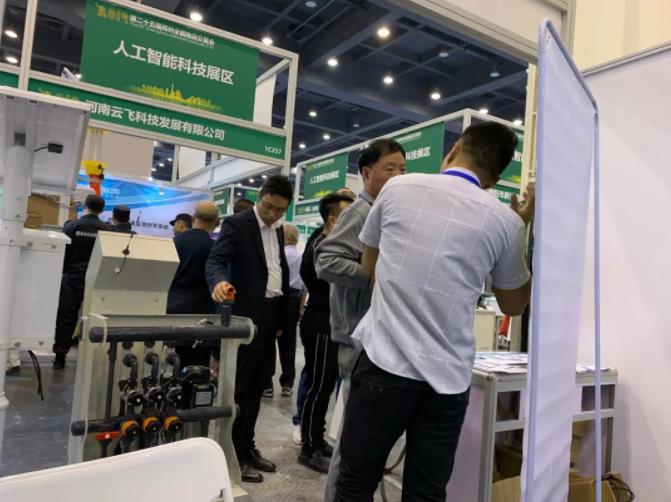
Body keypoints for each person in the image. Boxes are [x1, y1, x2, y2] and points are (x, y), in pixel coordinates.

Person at [334, 122, 535, 501]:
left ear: (454, 150)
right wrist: (521, 228)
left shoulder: (397, 188)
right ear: (495, 179)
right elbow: (513, 305)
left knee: (355, 483)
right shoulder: (507, 222)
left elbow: (370, 265)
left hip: (383, 365)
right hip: (447, 379)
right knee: (426, 493)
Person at [315, 139, 406, 501]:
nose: (398, 175)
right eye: (389, 168)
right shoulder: (361, 211)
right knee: (352, 439)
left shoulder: (383, 209)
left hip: (373, 338)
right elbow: (326, 261)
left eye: (402, 168)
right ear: (367, 173)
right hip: (357, 338)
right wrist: (370, 273)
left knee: (359, 436)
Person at [206, 174, 293, 483]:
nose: (272, 214)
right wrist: (219, 282)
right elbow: (216, 260)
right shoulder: (237, 224)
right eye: (268, 207)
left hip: (270, 315)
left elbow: (276, 269)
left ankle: (247, 446)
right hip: (245, 316)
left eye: (279, 210)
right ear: (260, 197)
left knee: (258, 386)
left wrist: (281, 319)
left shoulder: (278, 228)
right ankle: (231, 453)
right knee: (239, 389)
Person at [291, 187, 358, 440]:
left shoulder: (325, 242)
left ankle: (316, 439)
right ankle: (310, 444)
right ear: (332, 219)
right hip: (321, 323)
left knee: (325, 384)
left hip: (328, 322)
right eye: (349, 217)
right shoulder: (322, 247)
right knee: (318, 386)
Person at [53, 194, 110, 369]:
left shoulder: (72, 226)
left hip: (72, 278)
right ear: (102, 210)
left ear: (85, 206)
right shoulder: (107, 230)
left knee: (66, 317)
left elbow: (63, 252)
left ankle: (60, 357)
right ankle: (93, 358)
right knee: (96, 318)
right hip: (96, 280)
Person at [167, 202, 220, 366]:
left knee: (167, 366)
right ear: (217, 223)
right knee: (196, 369)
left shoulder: (173, 243)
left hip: (170, 312)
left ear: (194, 218)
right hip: (202, 316)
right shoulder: (215, 248)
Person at [263, 224, 306, 398]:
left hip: (275, 299)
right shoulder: (301, 257)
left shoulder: (278, 255)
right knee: (289, 344)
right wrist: (300, 308)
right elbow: (304, 288)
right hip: (294, 301)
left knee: (268, 342)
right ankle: (288, 383)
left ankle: (267, 384)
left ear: (285, 237)